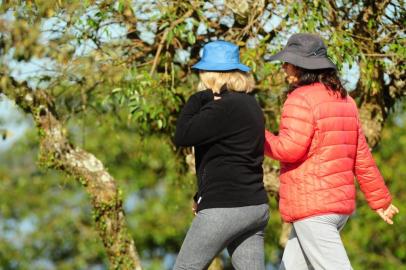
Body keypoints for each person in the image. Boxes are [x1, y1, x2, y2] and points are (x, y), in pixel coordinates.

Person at [264, 33, 399, 270]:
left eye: (287, 62)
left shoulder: (300, 99)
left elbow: (288, 149)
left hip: (313, 208)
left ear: (300, 65)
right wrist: (381, 201)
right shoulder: (345, 100)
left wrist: (256, 133)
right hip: (336, 209)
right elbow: (362, 157)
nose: (283, 67)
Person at [173, 40, 269, 270]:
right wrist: (202, 194)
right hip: (255, 205)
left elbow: (182, 135)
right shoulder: (250, 105)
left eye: (203, 72)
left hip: (226, 206)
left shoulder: (222, 107)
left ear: (211, 75)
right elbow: (229, 156)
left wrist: (200, 97)